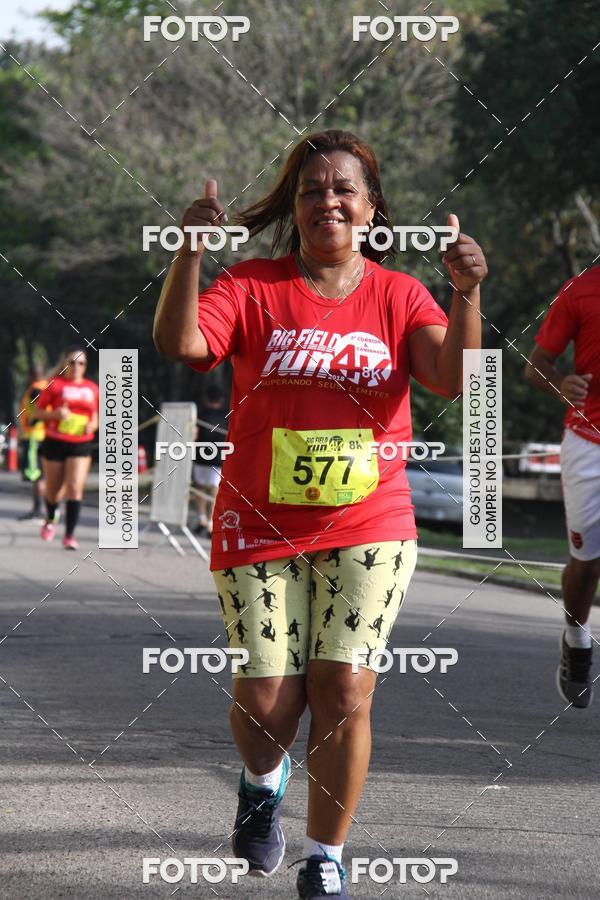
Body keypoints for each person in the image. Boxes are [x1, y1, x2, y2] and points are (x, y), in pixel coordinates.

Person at [153, 129, 487, 898]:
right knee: (270, 697)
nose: (325, 201)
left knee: (342, 687)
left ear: (372, 208)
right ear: (293, 207)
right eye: (310, 190)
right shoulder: (252, 285)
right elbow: (182, 342)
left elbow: (449, 379)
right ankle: (260, 782)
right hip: (257, 518)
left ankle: (324, 856)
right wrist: (188, 255)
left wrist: (467, 295)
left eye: (343, 189)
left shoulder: (401, 293)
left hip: (369, 518)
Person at [525, 265, 600, 708]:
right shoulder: (582, 289)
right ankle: (575, 638)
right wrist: (561, 384)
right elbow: (537, 366)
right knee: (587, 564)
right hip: (589, 442)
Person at [34, 347, 99, 550]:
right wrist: (55, 416)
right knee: (53, 492)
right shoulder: (55, 385)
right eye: (72, 362)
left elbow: (95, 415)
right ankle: (51, 516)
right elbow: (36, 412)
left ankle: (69, 536)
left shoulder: (92, 388)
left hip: (80, 443)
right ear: (65, 364)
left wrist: (93, 426)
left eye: (81, 363)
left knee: (74, 488)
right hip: (55, 442)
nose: (77, 367)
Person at [192, 384, 226, 535]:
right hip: (218, 458)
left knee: (200, 487)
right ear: (221, 400)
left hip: (200, 456)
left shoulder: (200, 415)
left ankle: (201, 518)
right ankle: (211, 522)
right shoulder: (227, 415)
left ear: (206, 399)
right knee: (214, 490)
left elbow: (194, 434)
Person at [17, 363, 49, 520]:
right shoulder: (45, 387)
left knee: (37, 475)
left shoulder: (36, 389)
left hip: (34, 438)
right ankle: (40, 508)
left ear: (31, 374)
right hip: (44, 436)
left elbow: (38, 409)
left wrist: (32, 422)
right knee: (41, 475)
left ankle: (38, 509)